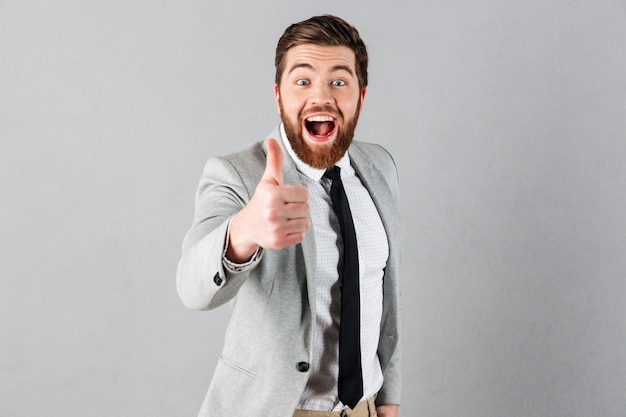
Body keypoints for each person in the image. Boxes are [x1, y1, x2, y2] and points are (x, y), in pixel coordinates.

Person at [177, 15, 403, 417]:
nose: (321, 96)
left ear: (361, 98)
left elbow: (381, 294)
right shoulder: (238, 174)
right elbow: (192, 288)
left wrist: (387, 398)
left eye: (338, 81)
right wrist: (244, 230)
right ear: (279, 96)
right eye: (303, 81)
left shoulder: (379, 167)